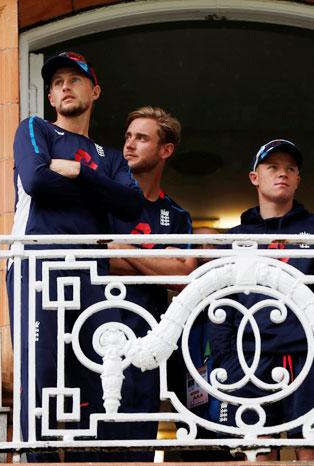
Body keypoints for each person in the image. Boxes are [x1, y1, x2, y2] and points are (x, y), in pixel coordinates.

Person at [6, 51, 144, 462]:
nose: (65, 86)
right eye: (57, 82)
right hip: (39, 261)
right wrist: (101, 194)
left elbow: (132, 208)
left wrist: (81, 172)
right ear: (50, 97)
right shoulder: (35, 129)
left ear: (94, 90)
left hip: (92, 270)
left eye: (75, 79)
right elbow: (36, 180)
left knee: (104, 369)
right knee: (42, 373)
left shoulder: (110, 157)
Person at [209, 139, 314, 461]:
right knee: (259, 449)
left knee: (312, 446)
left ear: (298, 180)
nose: (282, 174)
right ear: (255, 177)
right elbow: (221, 305)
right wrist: (226, 361)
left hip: (309, 353)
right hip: (250, 355)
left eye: (290, 169)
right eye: (273, 167)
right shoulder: (234, 238)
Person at [107, 106, 197, 462]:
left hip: (149, 341)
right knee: (98, 447)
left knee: (139, 449)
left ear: (165, 150)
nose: (129, 145)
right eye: (128, 137)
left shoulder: (175, 216)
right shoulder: (105, 201)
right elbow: (95, 259)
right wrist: (156, 261)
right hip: (98, 337)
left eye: (141, 138)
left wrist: (125, 248)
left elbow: (184, 275)